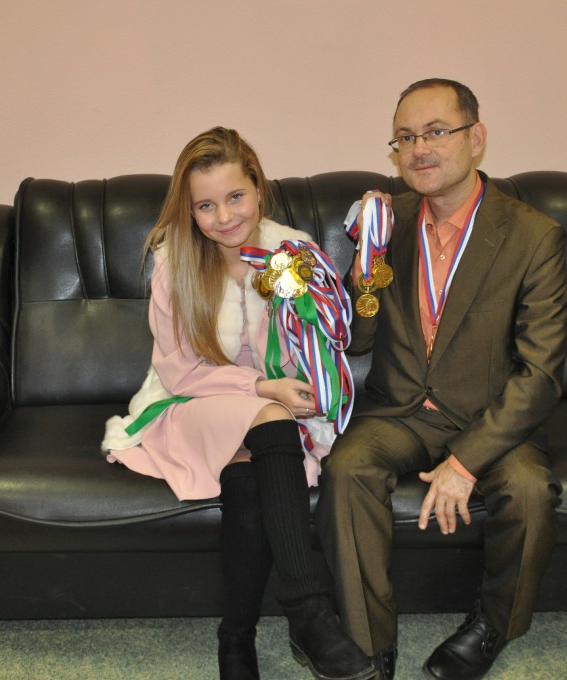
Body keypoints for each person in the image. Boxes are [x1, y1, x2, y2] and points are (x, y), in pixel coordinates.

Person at [316, 79, 567, 680]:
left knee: (529, 492)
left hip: (489, 416)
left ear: (475, 138)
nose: (418, 150)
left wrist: (466, 462)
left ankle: (491, 627)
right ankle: (371, 645)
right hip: (400, 410)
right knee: (346, 470)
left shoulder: (533, 235)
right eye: (404, 138)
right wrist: (365, 271)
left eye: (435, 133)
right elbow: (356, 340)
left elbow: (540, 372)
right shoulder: (387, 220)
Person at [101, 127, 374, 680]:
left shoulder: (287, 255)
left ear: (258, 189)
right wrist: (261, 389)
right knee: (269, 417)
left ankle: (235, 637)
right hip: (187, 405)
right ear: (189, 209)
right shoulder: (176, 262)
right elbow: (179, 371)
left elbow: (315, 345)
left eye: (235, 197)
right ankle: (308, 610)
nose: (224, 217)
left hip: (270, 424)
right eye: (205, 205)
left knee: (249, 480)